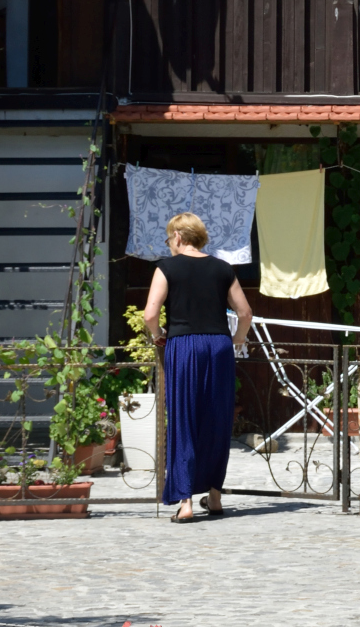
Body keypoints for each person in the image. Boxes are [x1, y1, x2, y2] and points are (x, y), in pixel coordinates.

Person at [143, 211, 252, 522]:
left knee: (184, 419)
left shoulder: (166, 268)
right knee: (217, 420)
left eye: (169, 239)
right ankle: (214, 497)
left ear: (178, 236)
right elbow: (245, 313)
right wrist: (237, 340)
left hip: (184, 346)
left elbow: (151, 315)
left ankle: (186, 502)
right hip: (218, 346)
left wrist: (158, 336)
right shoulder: (222, 269)